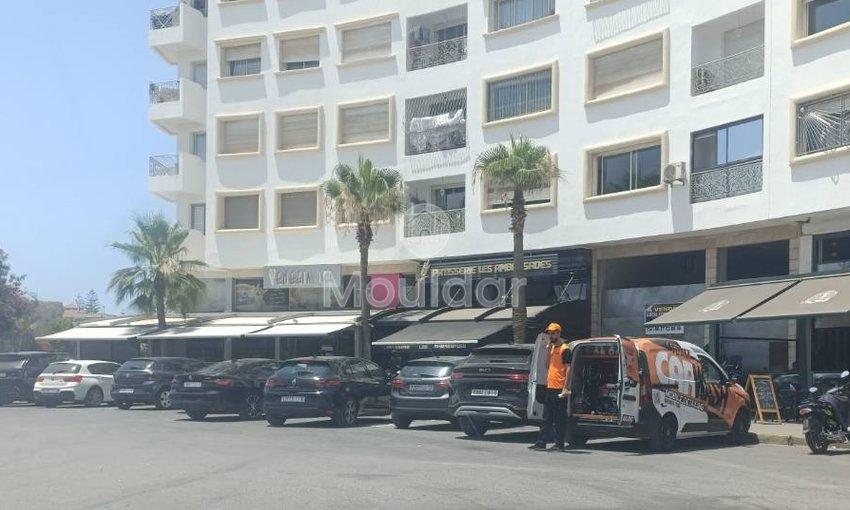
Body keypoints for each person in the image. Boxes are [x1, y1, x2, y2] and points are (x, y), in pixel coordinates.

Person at [529, 322, 572, 452]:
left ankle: (559, 444)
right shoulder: (552, 348)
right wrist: (548, 350)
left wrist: (565, 387)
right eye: (549, 333)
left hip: (559, 388)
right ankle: (541, 442)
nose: (551, 335)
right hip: (550, 386)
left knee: (559, 418)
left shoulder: (565, 349)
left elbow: (568, 368)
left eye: (553, 333)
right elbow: (547, 365)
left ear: (558, 333)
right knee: (546, 417)